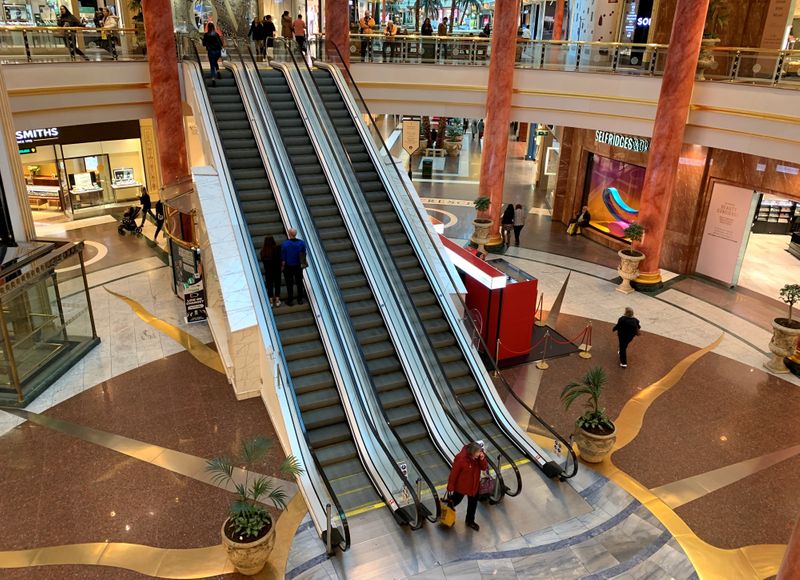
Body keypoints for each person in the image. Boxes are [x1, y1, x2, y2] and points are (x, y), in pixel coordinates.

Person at [446, 441, 488, 531]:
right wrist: (450, 486)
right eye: (478, 452)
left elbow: (484, 467)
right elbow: (454, 473)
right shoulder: (461, 458)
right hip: (461, 487)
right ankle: (446, 511)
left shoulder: (478, 458)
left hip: (474, 486)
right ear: (472, 452)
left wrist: (482, 459)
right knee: (455, 501)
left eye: (480, 451)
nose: (480, 453)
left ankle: (470, 521)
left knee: (473, 505)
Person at [281, 228, 307, 306]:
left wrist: (282, 266)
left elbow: (283, 257)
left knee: (289, 283)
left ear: (289, 234)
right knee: (299, 282)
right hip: (298, 266)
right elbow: (304, 253)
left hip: (288, 266)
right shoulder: (302, 243)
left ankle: (290, 300)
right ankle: (300, 300)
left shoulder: (285, 244)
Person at [260, 235, 282, 307]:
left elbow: (263, 261)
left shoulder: (263, 251)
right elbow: (280, 259)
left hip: (268, 271)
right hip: (277, 270)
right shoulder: (277, 249)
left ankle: (271, 301)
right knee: (277, 284)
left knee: (270, 285)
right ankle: (277, 300)